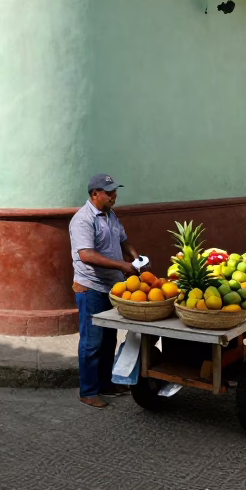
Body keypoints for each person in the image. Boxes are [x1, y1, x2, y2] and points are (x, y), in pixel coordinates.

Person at [69, 173, 142, 408]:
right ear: (94, 194)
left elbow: (123, 239)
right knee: (91, 341)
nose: (114, 196)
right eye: (109, 192)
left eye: (115, 191)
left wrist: (135, 257)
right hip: (90, 287)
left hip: (112, 287)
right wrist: (122, 265)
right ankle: (88, 391)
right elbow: (86, 255)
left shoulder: (110, 215)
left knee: (109, 338)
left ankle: (106, 384)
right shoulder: (82, 220)